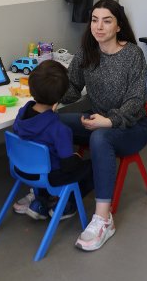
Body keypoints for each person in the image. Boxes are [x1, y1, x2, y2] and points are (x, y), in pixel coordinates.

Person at [58, 0, 147, 251]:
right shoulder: (87, 51)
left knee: (100, 138)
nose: (99, 27)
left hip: (131, 127)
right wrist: (48, 97)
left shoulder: (133, 54)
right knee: (53, 123)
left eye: (107, 21)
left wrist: (109, 121)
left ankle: (103, 219)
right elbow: (73, 88)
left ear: (118, 26)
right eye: (94, 20)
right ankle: (54, 192)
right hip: (97, 119)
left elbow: (135, 100)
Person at [12, 60, 93, 220]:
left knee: (47, 160)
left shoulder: (22, 114)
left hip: (22, 170)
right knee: (92, 167)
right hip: (48, 177)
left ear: (31, 88)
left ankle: (40, 203)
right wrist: (76, 159)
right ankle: (65, 205)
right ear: (60, 97)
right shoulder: (60, 130)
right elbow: (67, 165)